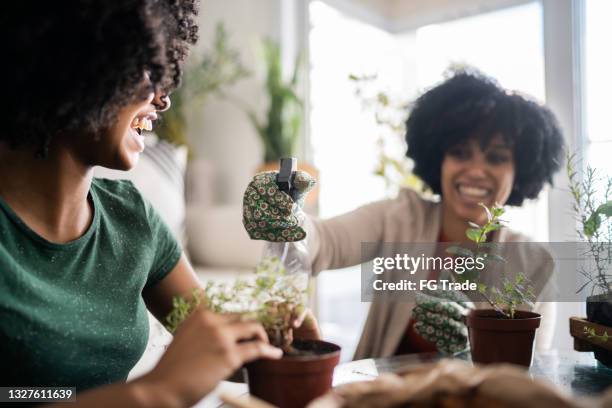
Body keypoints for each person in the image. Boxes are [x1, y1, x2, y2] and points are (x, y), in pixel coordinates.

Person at [0, 2, 316, 407]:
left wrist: (271, 341)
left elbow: (210, 341)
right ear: (73, 63)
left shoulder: (133, 218)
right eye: (147, 70)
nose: (163, 99)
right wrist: (152, 392)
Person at [243, 70, 565, 359]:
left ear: (520, 170)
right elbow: (323, 241)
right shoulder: (399, 218)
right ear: (438, 158)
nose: (476, 170)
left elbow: (530, 376)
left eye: (495, 157)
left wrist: (473, 346)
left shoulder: (536, 263)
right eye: (460, 152)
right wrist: (288, 218)